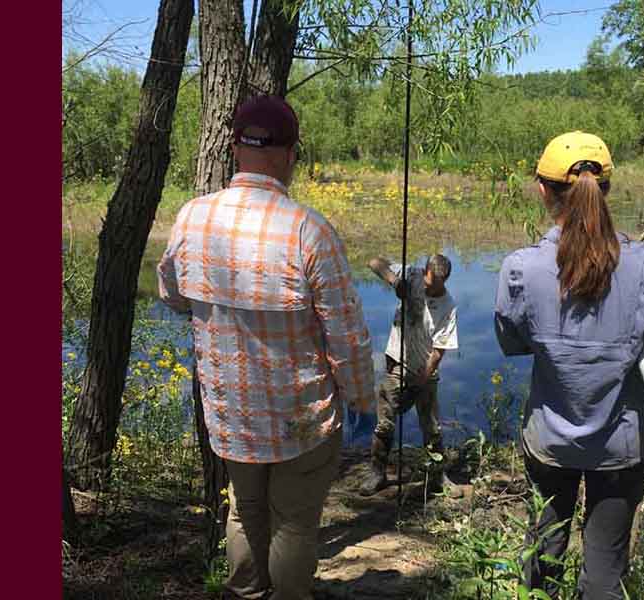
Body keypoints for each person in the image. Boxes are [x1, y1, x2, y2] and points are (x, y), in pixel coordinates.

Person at [157, 95, 375, 600]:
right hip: (301, 418)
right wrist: (363, 398)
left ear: (235, 147)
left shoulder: (192, 217)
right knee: (294, 524)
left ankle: (247, 594)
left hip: (231, 413)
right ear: (291, 153)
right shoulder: (308, 228)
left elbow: (171, 294)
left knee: (244, 508)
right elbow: (346, 334)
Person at [493, 131, 644, 599]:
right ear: (607, 189)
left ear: (544, 190)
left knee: (543, 549)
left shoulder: (521, 267)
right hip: (621, 447)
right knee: (604, 570)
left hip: (549, 440)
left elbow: (511, 341)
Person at [359, 254, 461, 498]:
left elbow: (438, 352)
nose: (429, 291)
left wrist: (422, 378)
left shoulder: (448, 306)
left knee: (432, 428)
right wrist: (396, 282)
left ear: (445, 280)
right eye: (427, 285)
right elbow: (373, 262)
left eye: (436, 287)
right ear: (423, 272)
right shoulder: (412, 275)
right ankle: (378, 473)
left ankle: (437, 476)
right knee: (384, 424)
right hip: (396, 362)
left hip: (425, 370)